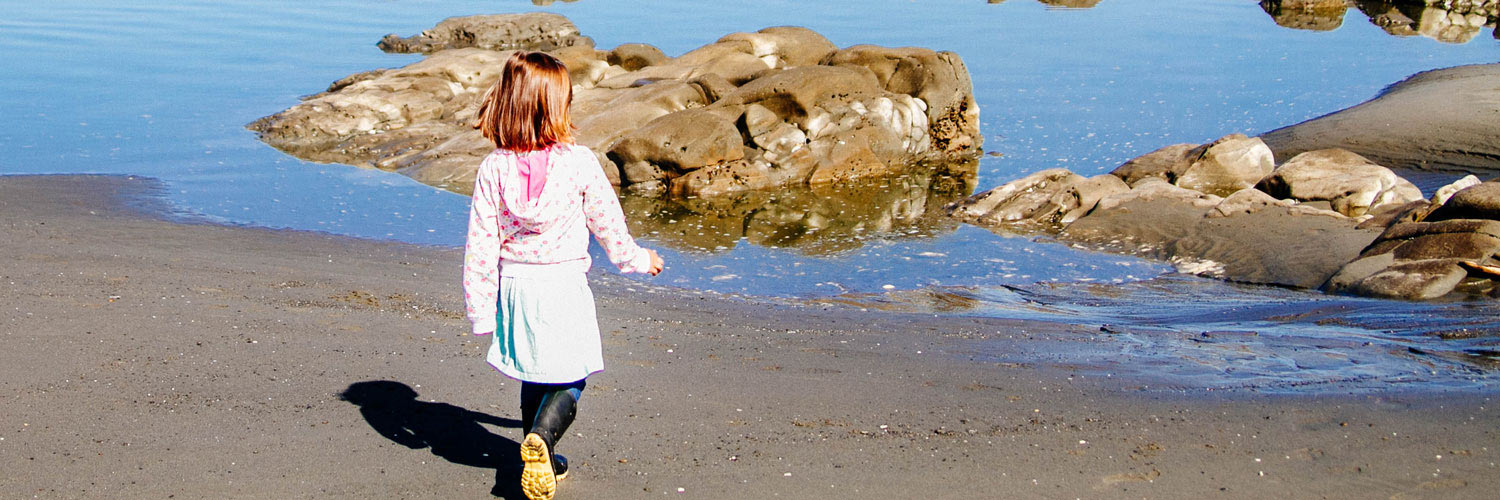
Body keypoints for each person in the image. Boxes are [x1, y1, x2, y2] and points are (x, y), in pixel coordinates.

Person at [462, 51, 664, 500]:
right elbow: (609, 225)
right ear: (557, 108)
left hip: (515, 287)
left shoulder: (493, 168)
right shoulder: (578, 163)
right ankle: (543, 440)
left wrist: (481, 309)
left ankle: (541, 456)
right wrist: (638, 259)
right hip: (562, 286)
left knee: (534, 374)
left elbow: (480, 244)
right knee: (572, 375)